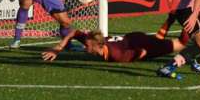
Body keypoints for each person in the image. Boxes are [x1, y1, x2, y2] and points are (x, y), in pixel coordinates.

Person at [41, 28, 188, 63]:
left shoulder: (116, 55)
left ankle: (191, 24)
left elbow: (141, 53)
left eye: (88, 45)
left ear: (98, 45)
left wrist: (151, 51)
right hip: (130, 37)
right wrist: (58, 48)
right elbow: (73, 32)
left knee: (181, 44)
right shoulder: (91, 41)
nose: (86, 47)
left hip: (141, 43)